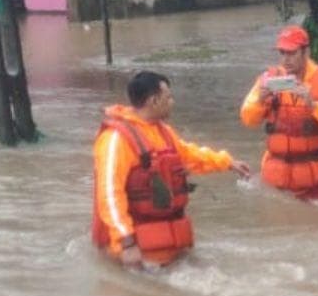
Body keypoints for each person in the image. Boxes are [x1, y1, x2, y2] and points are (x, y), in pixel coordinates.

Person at [94, 71, 251, 267]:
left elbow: (188, 155)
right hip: (136, 254)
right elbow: (109, 195)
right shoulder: (116, 140)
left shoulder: (164, 131)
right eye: (168, 97)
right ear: (154, 100)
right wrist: (127, 244)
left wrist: (226, 162)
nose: (172, 102)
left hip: (171, 248)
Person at [238, 24, 318, 201]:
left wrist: (314, 106)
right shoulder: (267, 81)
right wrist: (261, 101)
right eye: (282, 53)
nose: (286, 59)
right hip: (277, 180)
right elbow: (247, 118)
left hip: (316, 184)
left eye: (291, 53)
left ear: (306, 53)